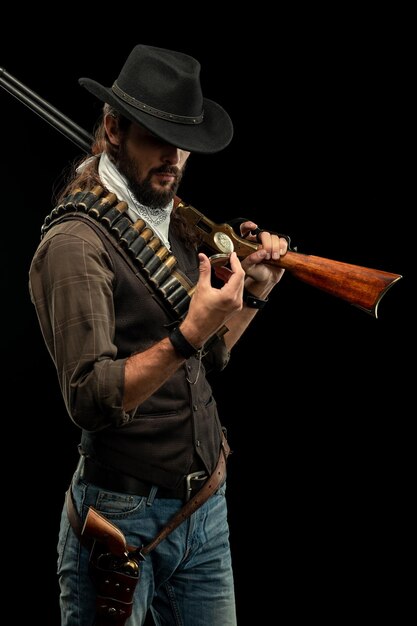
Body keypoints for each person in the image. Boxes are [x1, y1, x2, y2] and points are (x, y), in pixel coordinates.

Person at [28, 43, 288, 626]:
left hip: (204, 508)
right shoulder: (75, 244)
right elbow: (90, 400)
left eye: (183, 145)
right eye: (155, 138)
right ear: (114, 129)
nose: (173, 158)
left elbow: (211, 355)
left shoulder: (165, 217)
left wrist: (254, 291)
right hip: (121, 517)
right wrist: (189, 332)